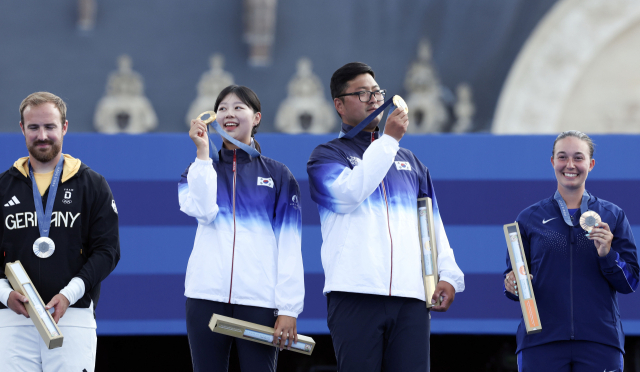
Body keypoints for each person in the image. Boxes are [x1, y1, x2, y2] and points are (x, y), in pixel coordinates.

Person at [306, 62, 465, 371]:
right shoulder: (326, 156)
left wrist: (448, 274)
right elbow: (348, 195)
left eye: (377, 92)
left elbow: (430, 223)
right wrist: (389, 141)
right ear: (339, 104)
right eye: (361, 93)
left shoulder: (411, 162)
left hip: (411, 295)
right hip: (354, 293)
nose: (374, 99)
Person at [178, 85, 304, 372]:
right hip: (204, 297)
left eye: (238, 107)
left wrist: (288, 309)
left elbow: (289, 244)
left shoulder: (278, 175)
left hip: (258, 301)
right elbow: (203, 211)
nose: (229, 114)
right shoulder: (198, 169)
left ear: (256, 118)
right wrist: (202, 154)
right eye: (222, 108)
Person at [0, 91, 121, 371]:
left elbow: (108, 251)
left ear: (64, 127)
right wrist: (4, 294)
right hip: (12, 318)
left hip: (73, 315)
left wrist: (69, 294)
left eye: (50, 127)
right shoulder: (4, 186)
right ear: (22, 129)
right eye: (34, 127)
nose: (42, 135)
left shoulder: (92, 184)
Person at [504, 130, 639, 371]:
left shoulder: (613, 216)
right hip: (541, 341)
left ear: (591, 164)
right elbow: (514, 281)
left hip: (600, 342)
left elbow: (630, 283)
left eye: (578, 157)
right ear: (552, 162)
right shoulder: (528, 218)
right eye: (562, 157)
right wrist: (512, 284)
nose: (570, 165)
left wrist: (608, 254)